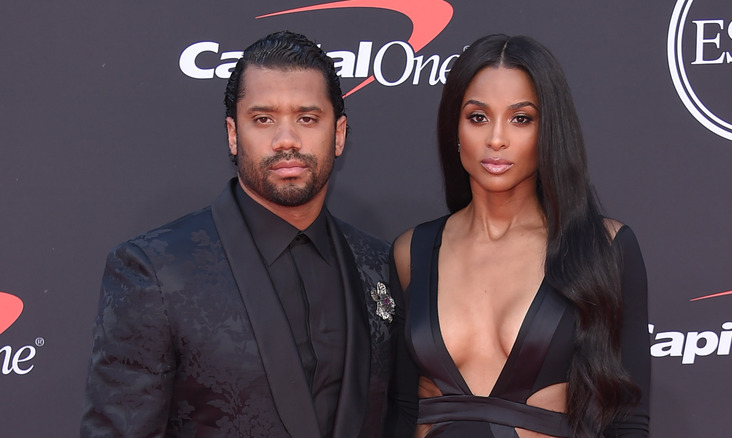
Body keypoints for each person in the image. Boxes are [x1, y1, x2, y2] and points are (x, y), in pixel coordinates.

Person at [81, 31, 395, 437]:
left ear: (338, 134)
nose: (287, 140)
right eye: (263, 119)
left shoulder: (379, 264)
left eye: (307, 118)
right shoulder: (155, 271)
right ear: (233, 134)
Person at [385, 34, 650, 437]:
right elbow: (401, 413)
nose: (496, 138)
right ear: (454, 127)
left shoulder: (605, 249)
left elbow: (628, 421)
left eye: (520, 118)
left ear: (549, 130)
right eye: (477, 117)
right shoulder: (411, 252)